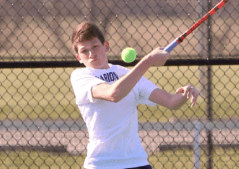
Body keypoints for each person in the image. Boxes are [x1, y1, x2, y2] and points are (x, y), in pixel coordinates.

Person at [70, 22, 199, 169]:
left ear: (106, 46)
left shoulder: (126, 73)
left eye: (95, 47)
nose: (91, 54)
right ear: (78, 57)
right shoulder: (80, 76)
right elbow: (114, 94)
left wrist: (186, 92)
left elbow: (170, 101)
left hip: (137, 162)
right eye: (84, 51)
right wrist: (148, 60)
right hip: (102, 163)